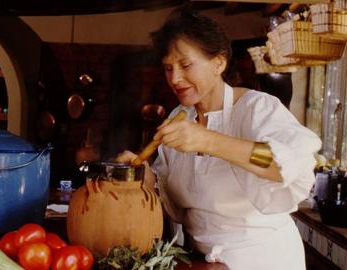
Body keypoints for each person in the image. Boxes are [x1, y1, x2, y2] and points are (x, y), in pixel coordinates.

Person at [116, 7, 321, 270]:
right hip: (204, 263)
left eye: (186, 65)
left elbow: (286, 164)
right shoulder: (179, 116)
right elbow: (177, 206)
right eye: (168, 68)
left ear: (218, 63)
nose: (175, 79)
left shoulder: (256, 108)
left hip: (265, 261)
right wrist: (148, 178)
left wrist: (209, 141)